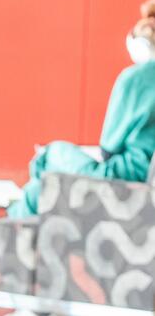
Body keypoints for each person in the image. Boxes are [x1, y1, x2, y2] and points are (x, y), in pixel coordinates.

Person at [8, 11, 155, 218]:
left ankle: (15, 218)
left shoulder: (135, 77)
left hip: (124, 177)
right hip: (145, 179)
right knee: (46, 177)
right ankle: (24, 213)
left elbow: (108, 147)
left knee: (50, 154)